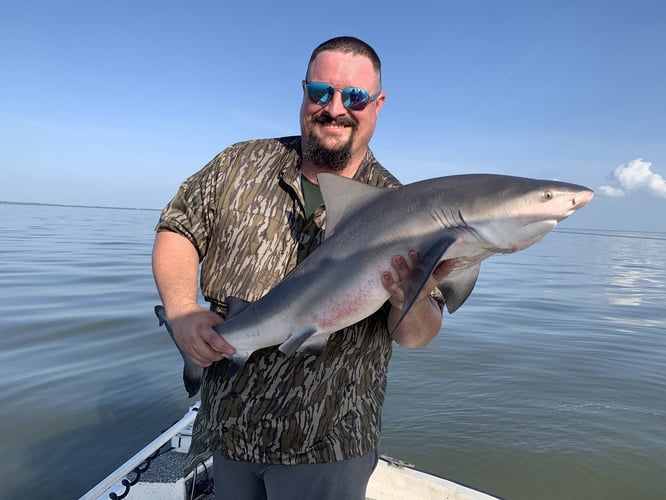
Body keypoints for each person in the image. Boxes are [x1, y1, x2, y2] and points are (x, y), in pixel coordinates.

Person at [152, 36, 452, 500]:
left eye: (354, 97)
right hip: (227, 435)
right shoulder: (241, 164)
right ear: (303, 92)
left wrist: (406, 298)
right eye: (320, 91)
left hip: (327, 450)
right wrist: (180, 309)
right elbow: (177, 227)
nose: (335, 109)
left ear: (377, 104)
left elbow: (418, 335)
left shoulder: (406, 209)